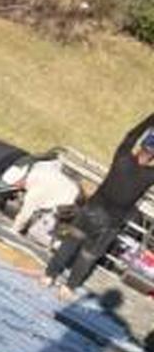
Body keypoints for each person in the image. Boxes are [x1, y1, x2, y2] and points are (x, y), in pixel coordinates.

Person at [42, 113, 154, 299]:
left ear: (141, 147)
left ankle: (49, 276)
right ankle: (69, 287)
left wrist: (151, 119)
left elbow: (130, 135)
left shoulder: (122, 159)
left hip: (91, 211)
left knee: (70, 244)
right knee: (88, 256)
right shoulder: (149, 176)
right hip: (111, 223)